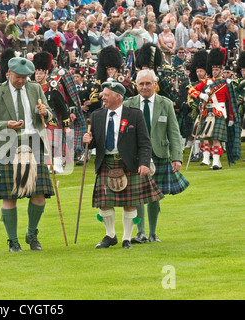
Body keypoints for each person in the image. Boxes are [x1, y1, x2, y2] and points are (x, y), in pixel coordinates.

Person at [0, 56, 54, 252]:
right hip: (9, 145)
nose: (21, 81)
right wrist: (7, 125)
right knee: (10, 196)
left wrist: (45, 113)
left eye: (25, 77)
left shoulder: (36, 89)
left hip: (34, 144)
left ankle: (32, 234)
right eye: (18, 77)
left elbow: (50, 113)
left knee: (39, 195)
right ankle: (13, 240)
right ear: (8, 73)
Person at [82, 80, 164, 249]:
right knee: (104, 202)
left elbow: (145, 142)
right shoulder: (97, 115)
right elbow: (97, 142)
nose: (102, 97)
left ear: (117, 97)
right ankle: (110, 235)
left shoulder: (134, 115)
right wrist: (89, 141)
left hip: (129, 163)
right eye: (102, 94)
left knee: (130, 203)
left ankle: (127, 238)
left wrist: (144, 163)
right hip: (106, 163)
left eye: (106, 95)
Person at [124, 69, 189, 243]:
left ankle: (152, 233)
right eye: (141, 84)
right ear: (136, 86)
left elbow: (174, 132)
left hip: (159, 154)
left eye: (148, 83)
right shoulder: (129, 104)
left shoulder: (165, 104)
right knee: (138, 194)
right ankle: (141, 232)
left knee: (154, 195)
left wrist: (177, 157)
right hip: (136, 156)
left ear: (155, 84)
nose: (144, 87)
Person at [187, 48, 242, 169]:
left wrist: (232, 117)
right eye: (213, 69)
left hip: (219, 112)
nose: (215, 71)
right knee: (207, 138)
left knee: (216, 138)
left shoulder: (226, 83)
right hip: (207, 112)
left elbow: (231, 102)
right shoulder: (206, 82)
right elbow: (190, 90)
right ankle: (208, 159)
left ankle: (216, 162)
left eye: (217, 69)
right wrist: (201, 95)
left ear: (221, 70)